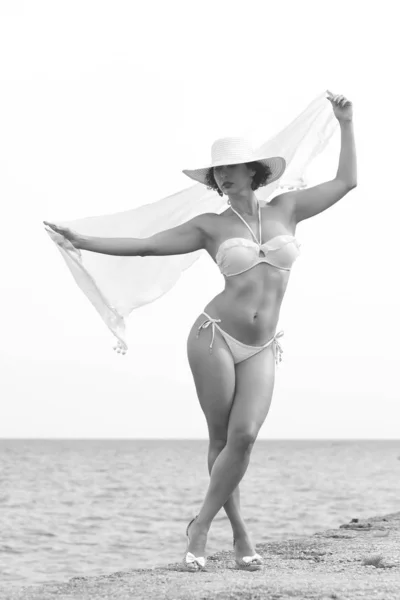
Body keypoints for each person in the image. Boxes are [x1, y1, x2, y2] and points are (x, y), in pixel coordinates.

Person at [44, 91, 356, 572]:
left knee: (246, 435)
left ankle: (201, 523)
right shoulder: (210, 225)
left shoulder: (288, 209)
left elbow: (347, 181)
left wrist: (346, 123)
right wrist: (85, 240)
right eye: (218, 171)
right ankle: (228, 533)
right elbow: (147, 246)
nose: (224, 175)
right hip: (213, 337)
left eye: (233, 167)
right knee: (221, 436)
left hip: (262, 345)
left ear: (256, 170)